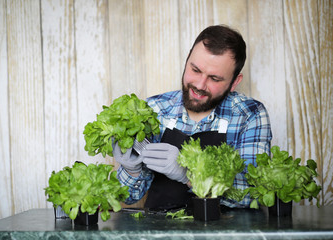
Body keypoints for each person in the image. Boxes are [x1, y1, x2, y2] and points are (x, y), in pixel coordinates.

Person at [113, 25, 272, 211]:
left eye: (214, 78)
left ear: (234, 82)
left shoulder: (250, 115)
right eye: (195, 70)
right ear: (187, 59)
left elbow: (249, 196)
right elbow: (128, 197)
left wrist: (189, 175)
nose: (199, 84)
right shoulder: (155, 109)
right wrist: (132, 170)